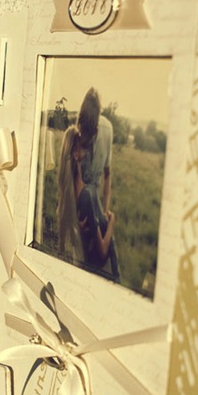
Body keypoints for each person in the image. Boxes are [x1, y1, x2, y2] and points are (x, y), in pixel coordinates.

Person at [57, 125, 117, 275]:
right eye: (83, 147)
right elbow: (102, 252)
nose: (87, 151)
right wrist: (111, 223)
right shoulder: (86, 195)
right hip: (101, 271)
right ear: (76, 155)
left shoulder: (69, 195)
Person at [76, 87, 120, 280]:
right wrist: (74, 220)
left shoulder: (107, 130)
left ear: (96, 129)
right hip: (83, 199)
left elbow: (108, 174)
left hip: (94, 200)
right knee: (95, 250)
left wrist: (105, 210)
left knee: (105, 245)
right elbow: (70, 180)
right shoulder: (76, 134)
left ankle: (115, 280)